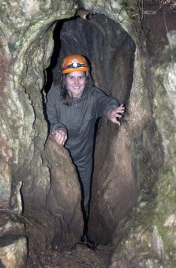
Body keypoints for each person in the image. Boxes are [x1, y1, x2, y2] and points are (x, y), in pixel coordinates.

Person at [46, 54, 125, 243]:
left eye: (80, 77)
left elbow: (105, 103)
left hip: (82, 159)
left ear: (86, 78)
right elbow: (48, 117)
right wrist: (57, 128)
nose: (76, 82)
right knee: (60, 197)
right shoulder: (54, 95)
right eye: (71, 77)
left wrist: (110, 111)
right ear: (63, 79)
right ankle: (61, 237)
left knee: (84, 198)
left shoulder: (92, 95)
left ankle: (81, 237)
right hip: (59, 157)